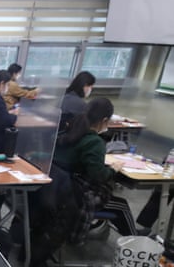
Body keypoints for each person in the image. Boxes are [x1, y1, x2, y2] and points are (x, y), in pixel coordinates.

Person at [53, 97, 138, 244]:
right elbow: (99, 175)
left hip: (57, 187)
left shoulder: (70, 131)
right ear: (104, 120)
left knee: (117, 203)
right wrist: (113, 169)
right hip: (76, 194)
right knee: (121, 205)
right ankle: (136, 243)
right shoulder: (94, 142)